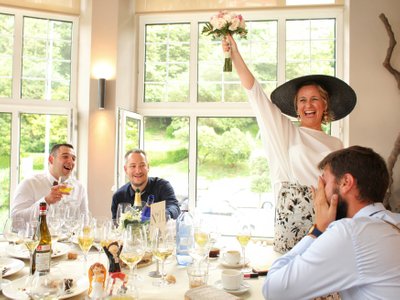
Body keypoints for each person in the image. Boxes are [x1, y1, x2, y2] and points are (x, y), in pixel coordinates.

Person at [222, 35, 357, 253]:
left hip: (329, 216)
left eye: (314, 99)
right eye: (302, 100)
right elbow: (256, 95)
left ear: (325, 105)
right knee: (290, 277)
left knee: (324, 279)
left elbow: (343, 188)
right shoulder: (285, 133)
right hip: (292, 216)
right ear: (296, 107)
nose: (308, 105)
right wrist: (235, 55)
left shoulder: (336, 142)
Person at [263, 146, 400, 299]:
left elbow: (274, 291)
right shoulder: (393, 221)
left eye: (325, 182)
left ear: (345, 183)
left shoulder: (351, 232)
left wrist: (318, 228)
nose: (319, 192)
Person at [11, 143, 89, 221]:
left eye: (73, 159)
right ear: (51, 160)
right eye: (65, 156)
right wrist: (46, 201)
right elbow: (16, 220)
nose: (70, 161)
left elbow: (85, 222)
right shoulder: (29, 184)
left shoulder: (80, 188)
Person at [111, 149, 180, 220]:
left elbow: (174, 207)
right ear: (125, 169)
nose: (138, 171)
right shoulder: (118, 196)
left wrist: (163, 214)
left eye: (142, 165)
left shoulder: (162, 186)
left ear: (148, 167)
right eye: (133, 166)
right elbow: (116, 225)